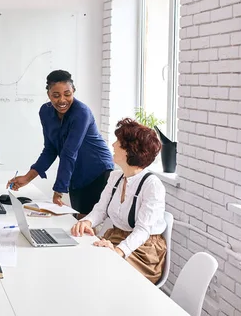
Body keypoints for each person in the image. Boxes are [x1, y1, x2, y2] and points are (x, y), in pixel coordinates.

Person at [71, 118, 166, 284]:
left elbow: (142, 231)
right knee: (83, 262)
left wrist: (118, 251)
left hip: (144, 250)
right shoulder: (115, 176)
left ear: (131, 150)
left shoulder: (152, 185)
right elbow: (100, 210)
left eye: (118, 142)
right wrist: (87, 222)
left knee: (103, 272)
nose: (113, 145)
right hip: (116, 237)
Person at [9, 70, 114, 217]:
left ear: (73, 91)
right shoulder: (45, 112)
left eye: (67, 94)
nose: (62, 100)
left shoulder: (81, 113)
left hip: (96, 170)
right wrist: (27, 178)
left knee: (86, 220)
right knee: (79, 219)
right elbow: (50, 149)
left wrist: (59, 190)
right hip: (74, 171)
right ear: (48, 95)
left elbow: (69, 152)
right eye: (56, 95)